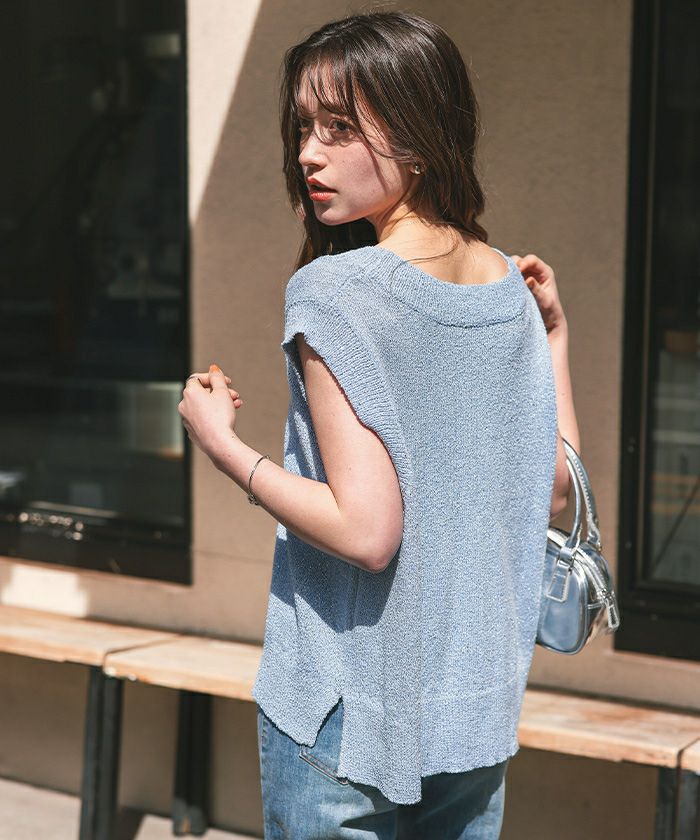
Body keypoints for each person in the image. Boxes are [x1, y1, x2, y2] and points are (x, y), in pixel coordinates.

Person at [178, 9, 580, 839]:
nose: (308, 153)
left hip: (346, 706)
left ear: (419, 134)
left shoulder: (337, 292)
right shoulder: (507, 285)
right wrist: (555, 340)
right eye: (303, 126)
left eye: (338, 127)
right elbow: (553, 496)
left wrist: (223, 447)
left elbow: (365, 533)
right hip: (471, 715)